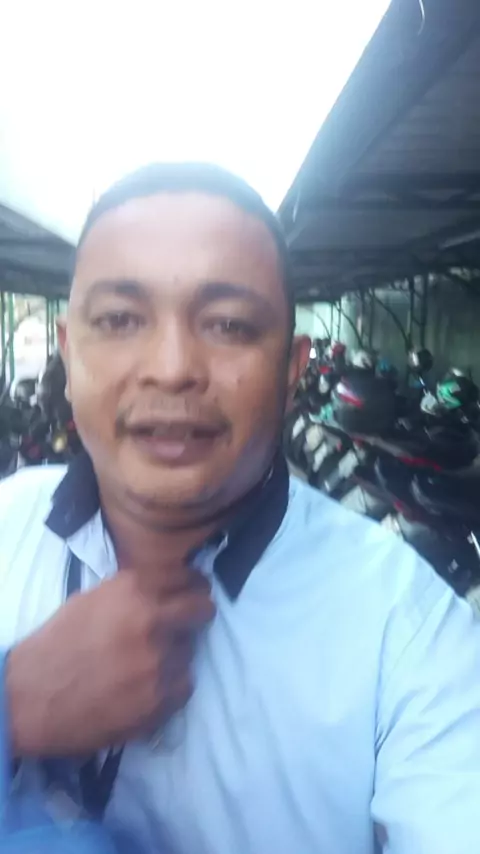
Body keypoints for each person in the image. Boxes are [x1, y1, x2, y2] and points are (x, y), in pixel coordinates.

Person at [1, 163, 480, 854]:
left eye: (228, 324)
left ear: (292, 370)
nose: (172, 368)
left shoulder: (407, 631)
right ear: (68, 355)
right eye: (119, 320)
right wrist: (12, 706)